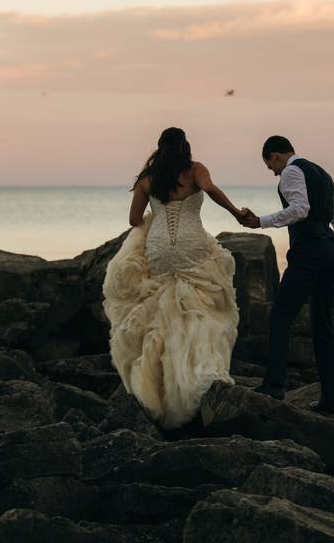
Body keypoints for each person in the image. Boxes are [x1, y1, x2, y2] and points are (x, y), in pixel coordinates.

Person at [103, 127, 244, 429]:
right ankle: (196, 376)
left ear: (160, 147)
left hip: (158, 247)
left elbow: (132, 220)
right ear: (185, 146)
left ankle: (163, 388)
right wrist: (236, 213)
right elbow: (212, 190)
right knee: (200, 306)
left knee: (161, 310)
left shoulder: (148, 177)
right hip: (191, 242)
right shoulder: (195, 170)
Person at [240, 135, 334, 414]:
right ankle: (331, 398)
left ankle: (275, 385)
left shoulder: (290, 171)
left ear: (275, 156)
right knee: (322, 326)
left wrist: (260, 222)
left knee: (280, 315)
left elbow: (301, 209)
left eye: (270, 166)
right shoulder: (323, 174)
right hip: (329, 252)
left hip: (310, 252)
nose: (274, 173)